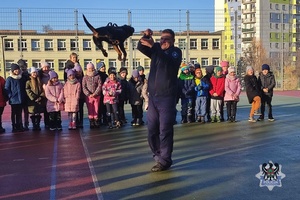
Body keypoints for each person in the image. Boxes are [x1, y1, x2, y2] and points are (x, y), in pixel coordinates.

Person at [137, 28, 182, 172]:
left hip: (167, 98)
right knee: (152, 129)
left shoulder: (175, 53)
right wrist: (146, 36)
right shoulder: (157, 52)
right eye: (161, 38)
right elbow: (140, 46)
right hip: (153, 98)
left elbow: (167, 61)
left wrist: (154, 46)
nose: (163, 41)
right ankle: (158, 156)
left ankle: (165, 159)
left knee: (165, 129)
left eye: (167, 39)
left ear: (173, 41)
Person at [5, 64, 27, 132]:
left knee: (19, 113)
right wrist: (10, 96)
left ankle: (19, 125)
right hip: (13, 99)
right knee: (14, 113)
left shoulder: (21, 78)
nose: (17, 71)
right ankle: (14, 126)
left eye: (18, 69)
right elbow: (6, 88)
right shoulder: (10, 79)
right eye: (15, 70)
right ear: (12, 71)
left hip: (21, 98)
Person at [82, 62, 102, 129]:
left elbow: (99, 85)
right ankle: (91, 121)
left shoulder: (97, 76)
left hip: (96, 95)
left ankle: (96, 120)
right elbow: (84, 87)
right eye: (89, 68)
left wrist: (95, 93)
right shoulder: (85, 77)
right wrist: (88, 94)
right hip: (88, 96)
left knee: (96, 108)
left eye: (92, 68)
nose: (91, 69)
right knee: (90, 108)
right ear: (87, 69)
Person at [18, 59, 30, 130]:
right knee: (19, 111)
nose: (23, 68)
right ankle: (20, 123)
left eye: (24, 66)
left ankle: (26, 123)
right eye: (21, 67)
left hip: (27, 95)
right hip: (20, 95)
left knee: (26, 111)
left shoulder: (28, 75)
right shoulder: (18, 76)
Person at [39, 61, 51, 129]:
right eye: (44, 67)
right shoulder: (40, 76)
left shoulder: (50, 74)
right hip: (44, 94)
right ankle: (46, 123)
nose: (46, 69)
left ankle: (52, 121)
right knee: (46, 109)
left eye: (47, 67)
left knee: (51, 109)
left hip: (51, 94)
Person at [96, 61, 108, 125]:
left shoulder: (106, 75)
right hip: (99, 93)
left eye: (104, 66)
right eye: (102, 67)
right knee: (99, 107)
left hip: (105, 94)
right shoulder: (97, 75)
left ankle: (105, 119)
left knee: (105, 107)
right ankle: (99, 119)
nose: (103, 68)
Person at [73, 63, 85, 128]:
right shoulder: (74, 80)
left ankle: (81, 121)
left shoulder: (83, 79)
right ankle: (76, 121)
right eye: (77, 71)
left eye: (79, 71)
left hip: (81, 96)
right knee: (76, 109)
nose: (78, 73)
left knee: (81, 109)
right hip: (75, 97)